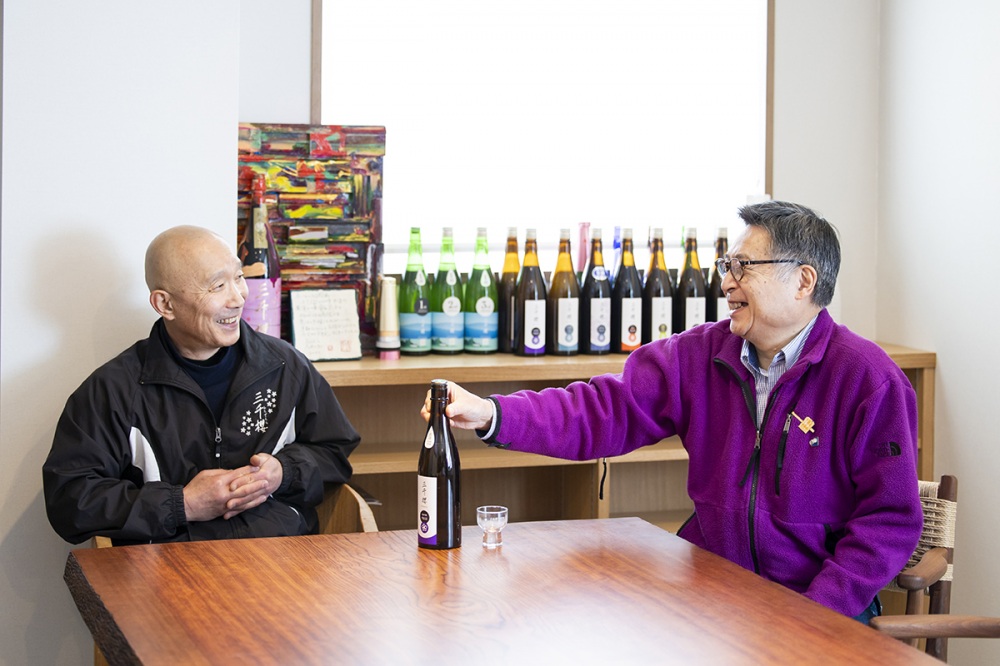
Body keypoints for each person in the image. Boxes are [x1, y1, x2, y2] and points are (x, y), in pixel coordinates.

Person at [425, 201, 922, 623]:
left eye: (742, 267)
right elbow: (603, 409)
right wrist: (490, 412)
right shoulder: (700, 355)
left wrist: (814, 614)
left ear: (803, 281)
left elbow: (889, 521)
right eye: (726, 265)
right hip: (712, 597)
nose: (726, 281)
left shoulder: (868, 381)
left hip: (820, 610)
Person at [43, 225, 360, 544]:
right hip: (165, 574)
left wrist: (282, 472)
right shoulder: (113, 391)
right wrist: (183, 504)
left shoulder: (284, 366)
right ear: (165, 304)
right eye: (217, 286)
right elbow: (70, 500)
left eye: (238, 277)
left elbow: (334, 453)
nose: (237, 298)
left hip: (278, 557)